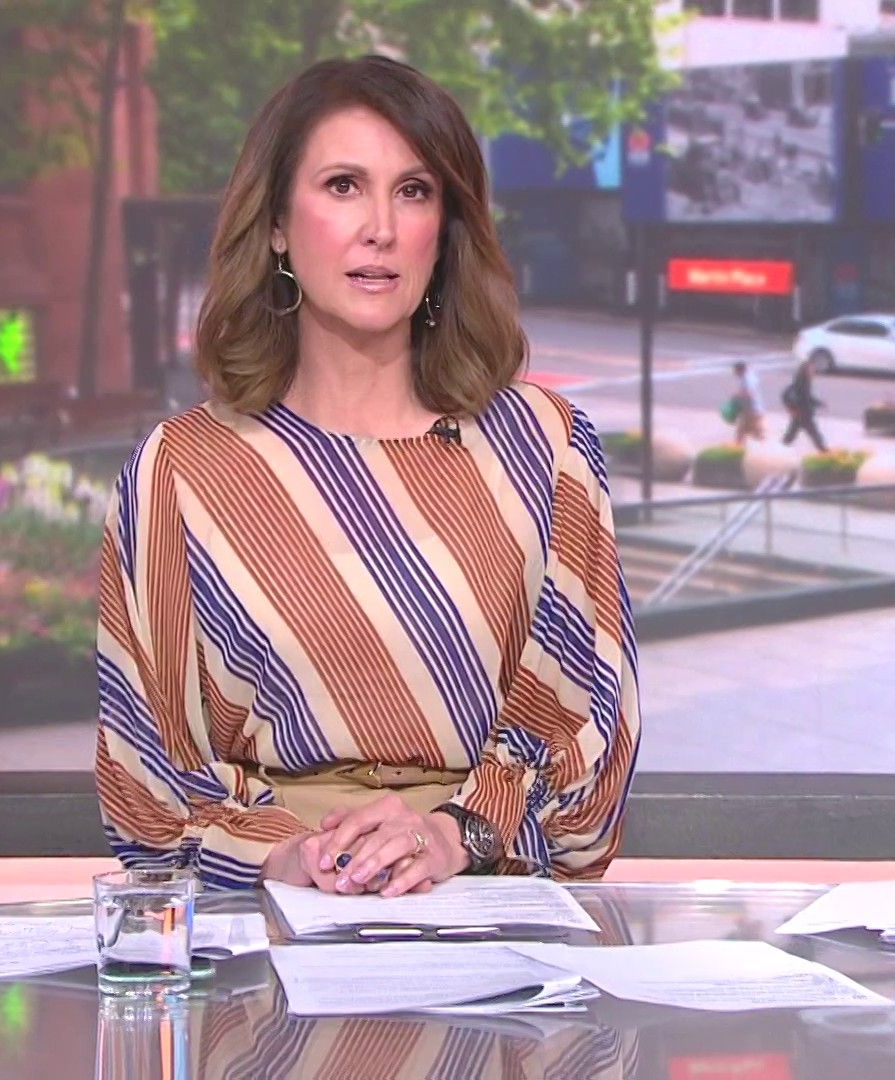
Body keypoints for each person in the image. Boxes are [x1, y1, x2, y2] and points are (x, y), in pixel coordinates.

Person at [94, 56, 641, 897]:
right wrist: (288, 856)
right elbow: (150, 783)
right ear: (278, 223)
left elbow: (588, 742)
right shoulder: (180, 470)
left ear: (444, 228)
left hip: (482, 903)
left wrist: (453, 835)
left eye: (413, 191)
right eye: (343, 186)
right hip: (272, 913)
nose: (380, 227)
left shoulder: (546, 448)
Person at [780, 357, 827, 452]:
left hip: (801, 413)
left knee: (792, 433)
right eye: (811, 369)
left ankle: (782, 446)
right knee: (814, 433)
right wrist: (817, 404)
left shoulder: (804, 382)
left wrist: (819, 403)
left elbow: (807, 397)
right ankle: (823, 451)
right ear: (805, 370)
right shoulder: (801, 383)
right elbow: (805, 398)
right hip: (803, 413)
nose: (813, 371)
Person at [730, 361, 764, 442]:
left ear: (740, 370)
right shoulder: (748, 377)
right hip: (751, 409)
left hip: (752, 409)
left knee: (746, 431)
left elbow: (750, 392)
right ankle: (739, 445)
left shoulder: (747, 379)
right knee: (746, 431)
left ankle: (739, 446)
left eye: (735, 371)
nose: (734, 373)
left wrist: (736, 396)